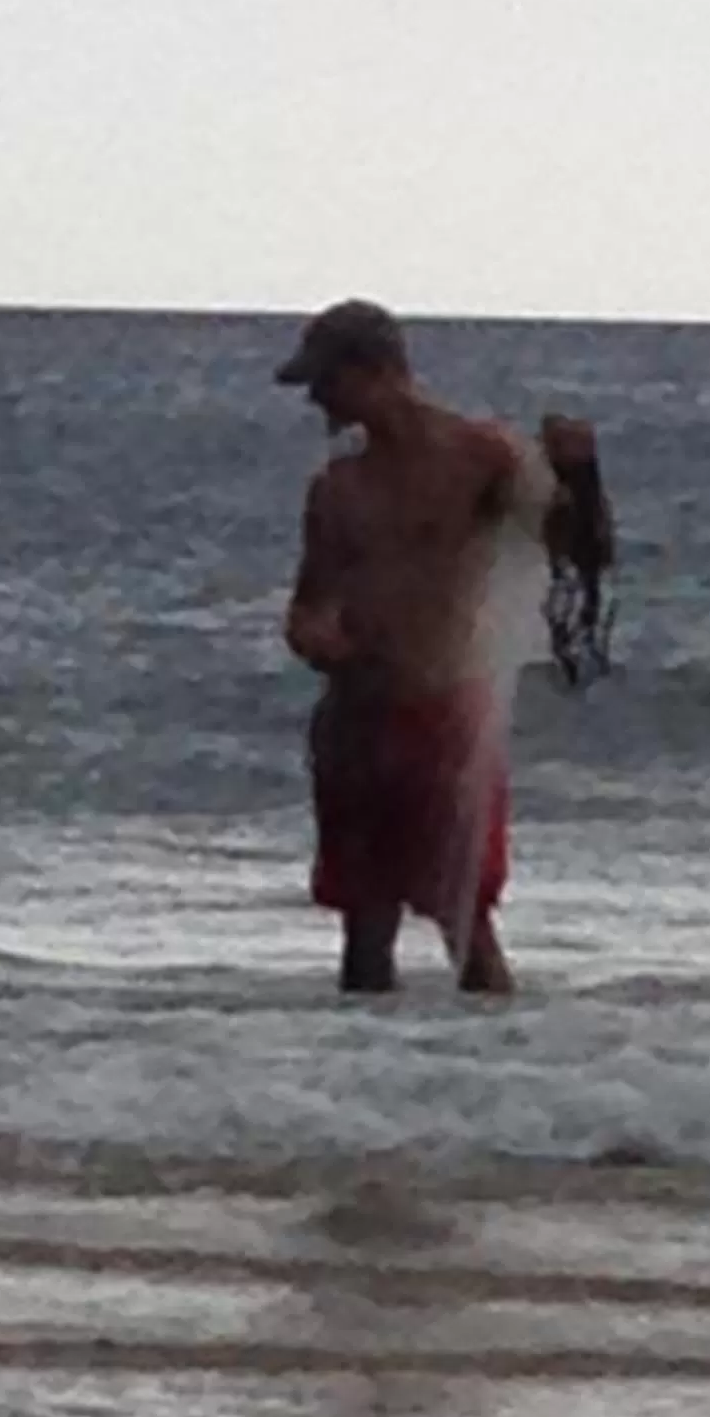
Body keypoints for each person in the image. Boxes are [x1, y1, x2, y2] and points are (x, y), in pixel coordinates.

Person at [276, 297, 610, 997]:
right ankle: (370, 1063)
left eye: (325, 380)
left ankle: (493, 1061)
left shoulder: (483, 458)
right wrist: (319, 640)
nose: (316, 399)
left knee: (466, 922)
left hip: (446, 719)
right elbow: (307, 607)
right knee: (364, 930)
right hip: (356, 725)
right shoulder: (338, 488)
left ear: (374, 372)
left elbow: (580, 549)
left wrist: (581, 474)